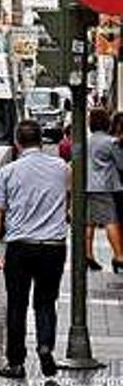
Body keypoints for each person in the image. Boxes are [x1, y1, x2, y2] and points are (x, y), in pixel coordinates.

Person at [0, 120, 70, 379]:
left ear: (17, 143)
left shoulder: (8, 172)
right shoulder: (61, 168)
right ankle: (45, 346)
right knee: (46, 302)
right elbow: (69, 198)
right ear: (42, 141)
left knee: (17, 304)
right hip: (53, 248)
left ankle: (16, 362)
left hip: (20, 247)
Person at [85, 109, 123, 272]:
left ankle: (88, 254)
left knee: (89, 222)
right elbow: (121, 164)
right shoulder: (110, 142)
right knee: (111, 220)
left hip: (86, 186)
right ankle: (120, 256)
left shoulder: (85, 140)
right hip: (104, 186)